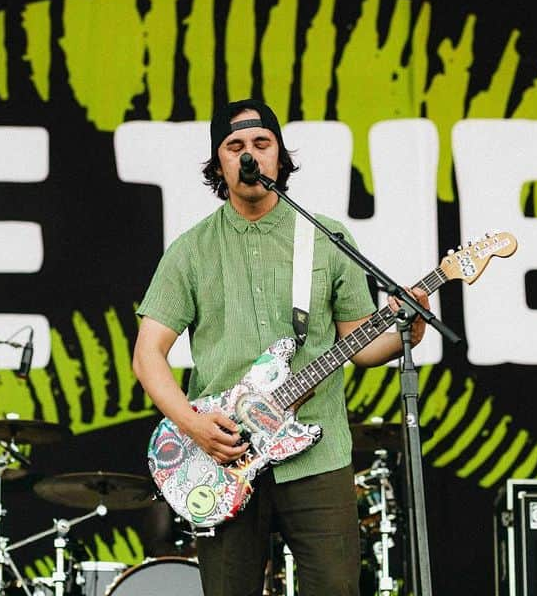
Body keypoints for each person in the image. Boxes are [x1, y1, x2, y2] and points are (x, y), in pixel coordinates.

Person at [132, 98, 429, 596]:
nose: (249, 155)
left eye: (261, 144)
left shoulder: (327, 236)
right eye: (235, 146)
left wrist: (408, 334)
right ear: (219, 163)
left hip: (318, 454)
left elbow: (360, 343)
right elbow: (147, 354)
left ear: (279, 158)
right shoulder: (191, 249)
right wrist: (194, 426)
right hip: (223, 456)